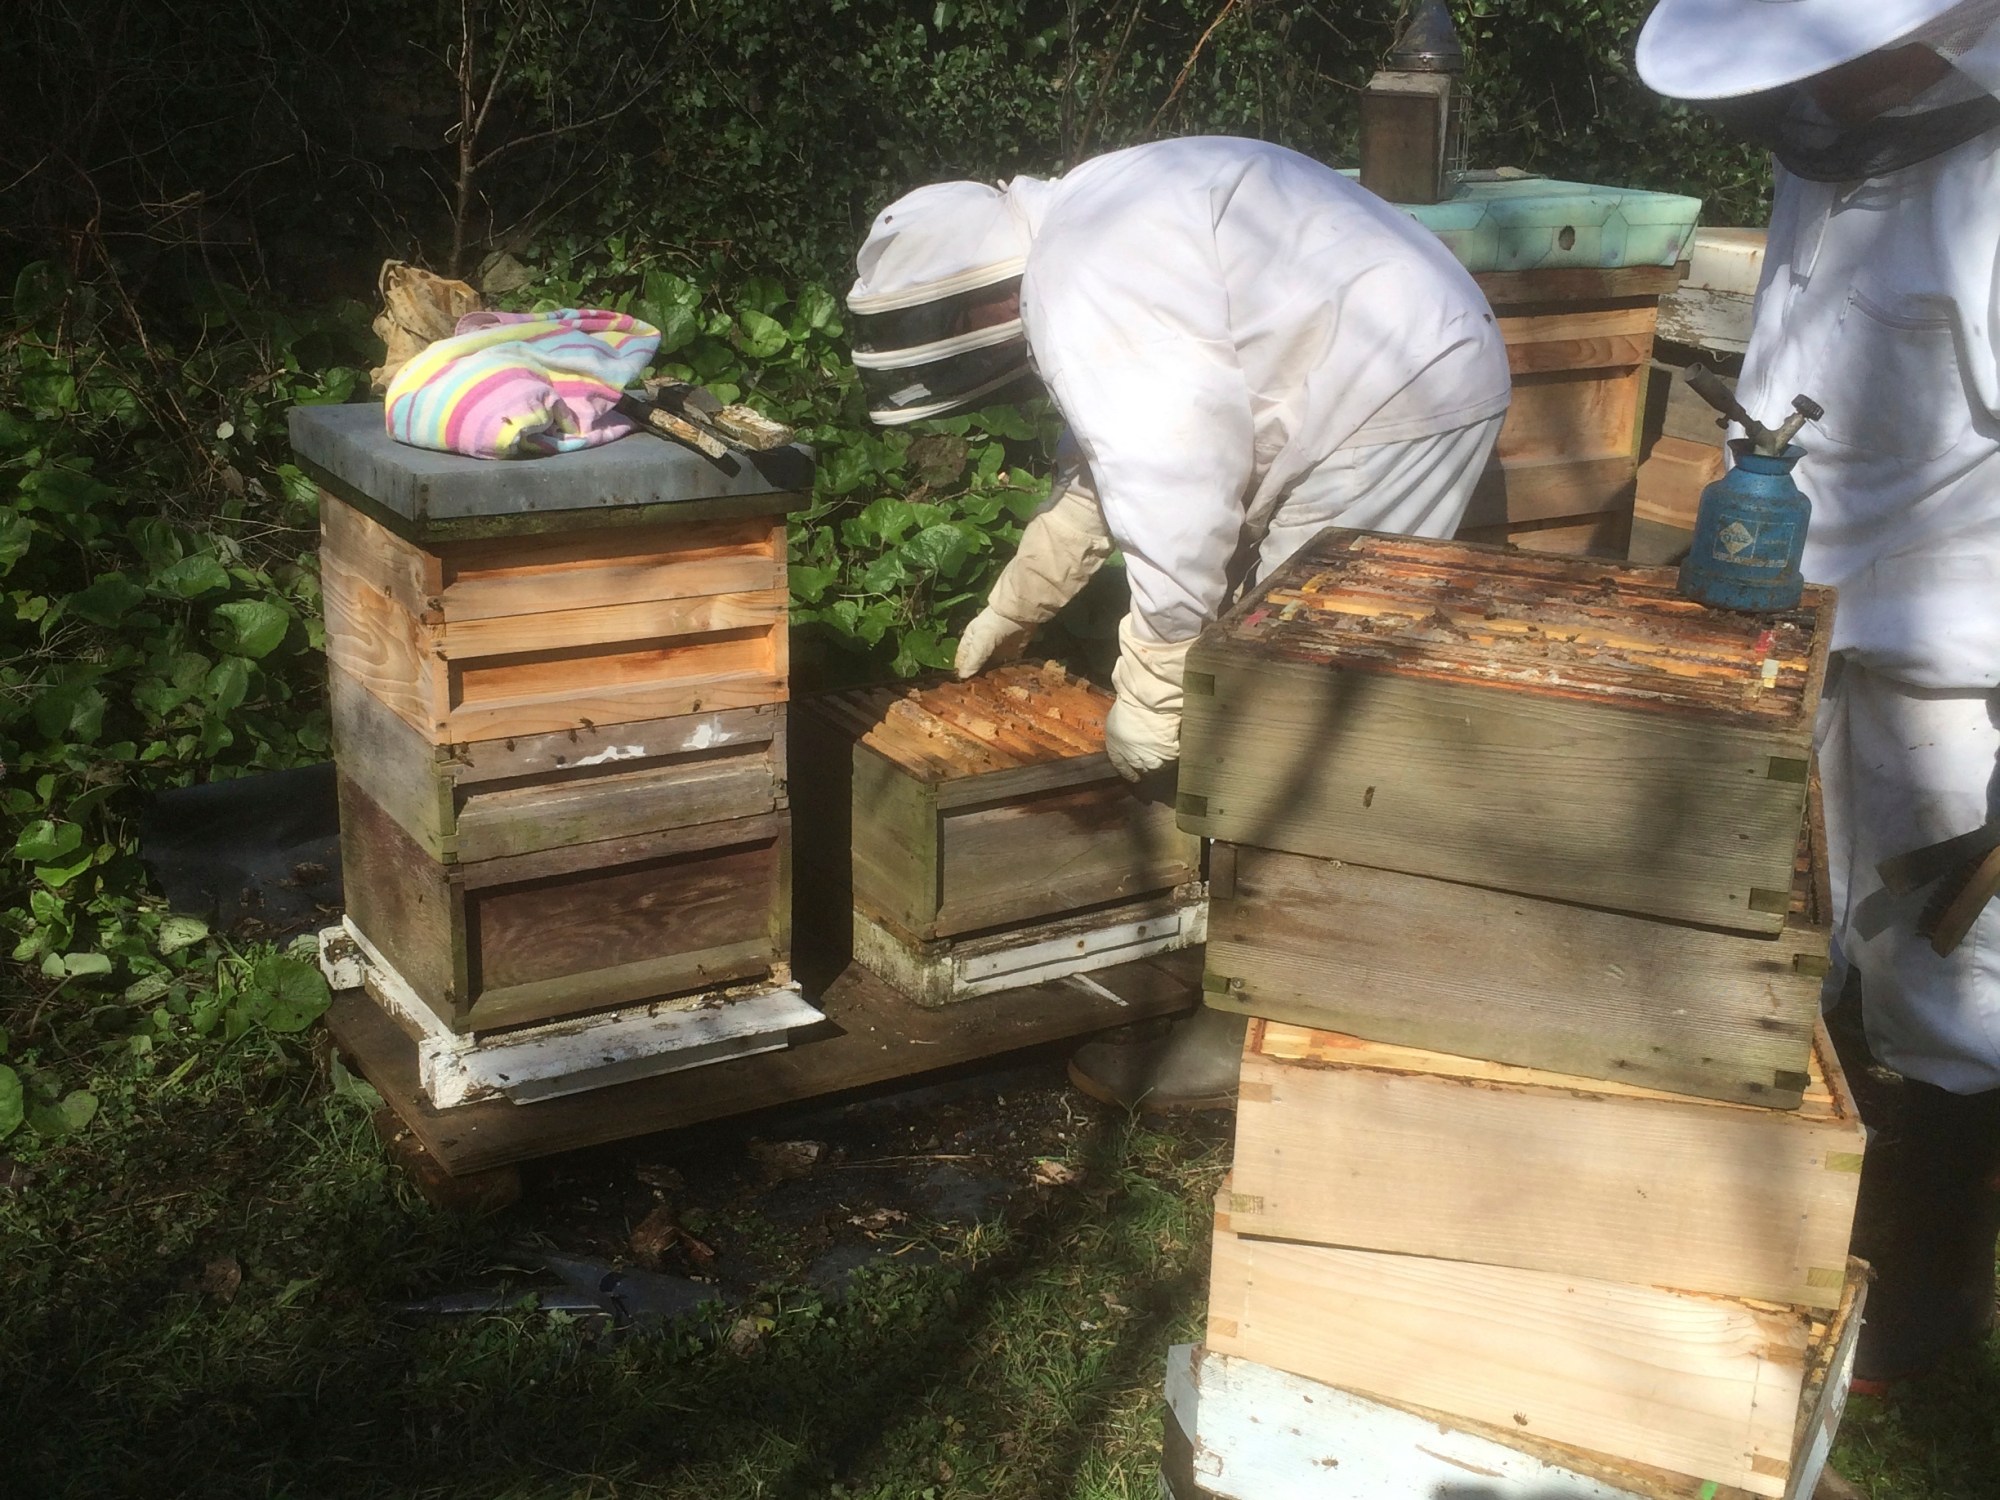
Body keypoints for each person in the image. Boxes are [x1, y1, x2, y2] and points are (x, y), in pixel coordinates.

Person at [846, 136, 1510, 1110]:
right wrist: (1018, 602)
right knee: (1267, 687)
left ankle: (1251, 1022)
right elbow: (1109, 468)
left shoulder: (1081, 267)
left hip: (1389, 402)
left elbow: (1176, 488)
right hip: (1392, 369)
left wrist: (1156, 683)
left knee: (1280, 714)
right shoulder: (1091, 217)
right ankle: (1264, 957)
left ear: (974, 300)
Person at [1636, 0, 2000, 1392]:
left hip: (1952, 668)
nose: (1812, 97)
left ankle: (1933, 1280)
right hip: (1798, 625)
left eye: (1831, 67)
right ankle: (1789, 1220)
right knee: (1788, 937)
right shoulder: (1832, 139)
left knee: (1953, 985)